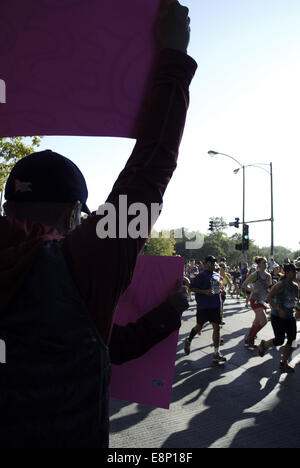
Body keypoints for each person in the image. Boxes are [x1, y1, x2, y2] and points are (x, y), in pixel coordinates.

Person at [0, 0, 197, 448]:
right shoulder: (87, 260)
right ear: (74, 214)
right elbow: (153, 165)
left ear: (9, 205)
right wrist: (174, 53)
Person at [258, 263, 300, 373]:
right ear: (286, 273)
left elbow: (297, 301)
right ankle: (264, 345)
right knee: (279, 340)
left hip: (290, 317)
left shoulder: (295, 287)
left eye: (296, 271)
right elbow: (269, 297)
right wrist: (278, 308)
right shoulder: (280, 285)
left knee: (292, 340)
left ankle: (284, 363)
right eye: (293, 271)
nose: (295, 273)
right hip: (278, 317)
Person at [184, 256, 227, 364]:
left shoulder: (217, 275)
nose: (213, 264)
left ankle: (216, 353)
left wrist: (221, 291)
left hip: (215, 306)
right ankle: (188, 340)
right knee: (199, 327)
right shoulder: (201, 275)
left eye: (214, 263)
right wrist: (204, 292)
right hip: (203, 306)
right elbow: (191, 288)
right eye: (210, 263)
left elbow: (217, 288)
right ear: (205, 264)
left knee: (216, 328)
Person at [242, 256, 272, 349]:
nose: (265, 264)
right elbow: (244, 285)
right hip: (254, 300)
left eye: (266, 262)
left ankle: (249, 340)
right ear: (259, 265)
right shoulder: (255, 274)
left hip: (263, 301)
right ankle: (249, 338)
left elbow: (269, 289)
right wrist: (252, 290)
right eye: (263, 262)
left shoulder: (268, 275)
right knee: (264, 321)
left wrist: (271, 298)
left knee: (257, 321)